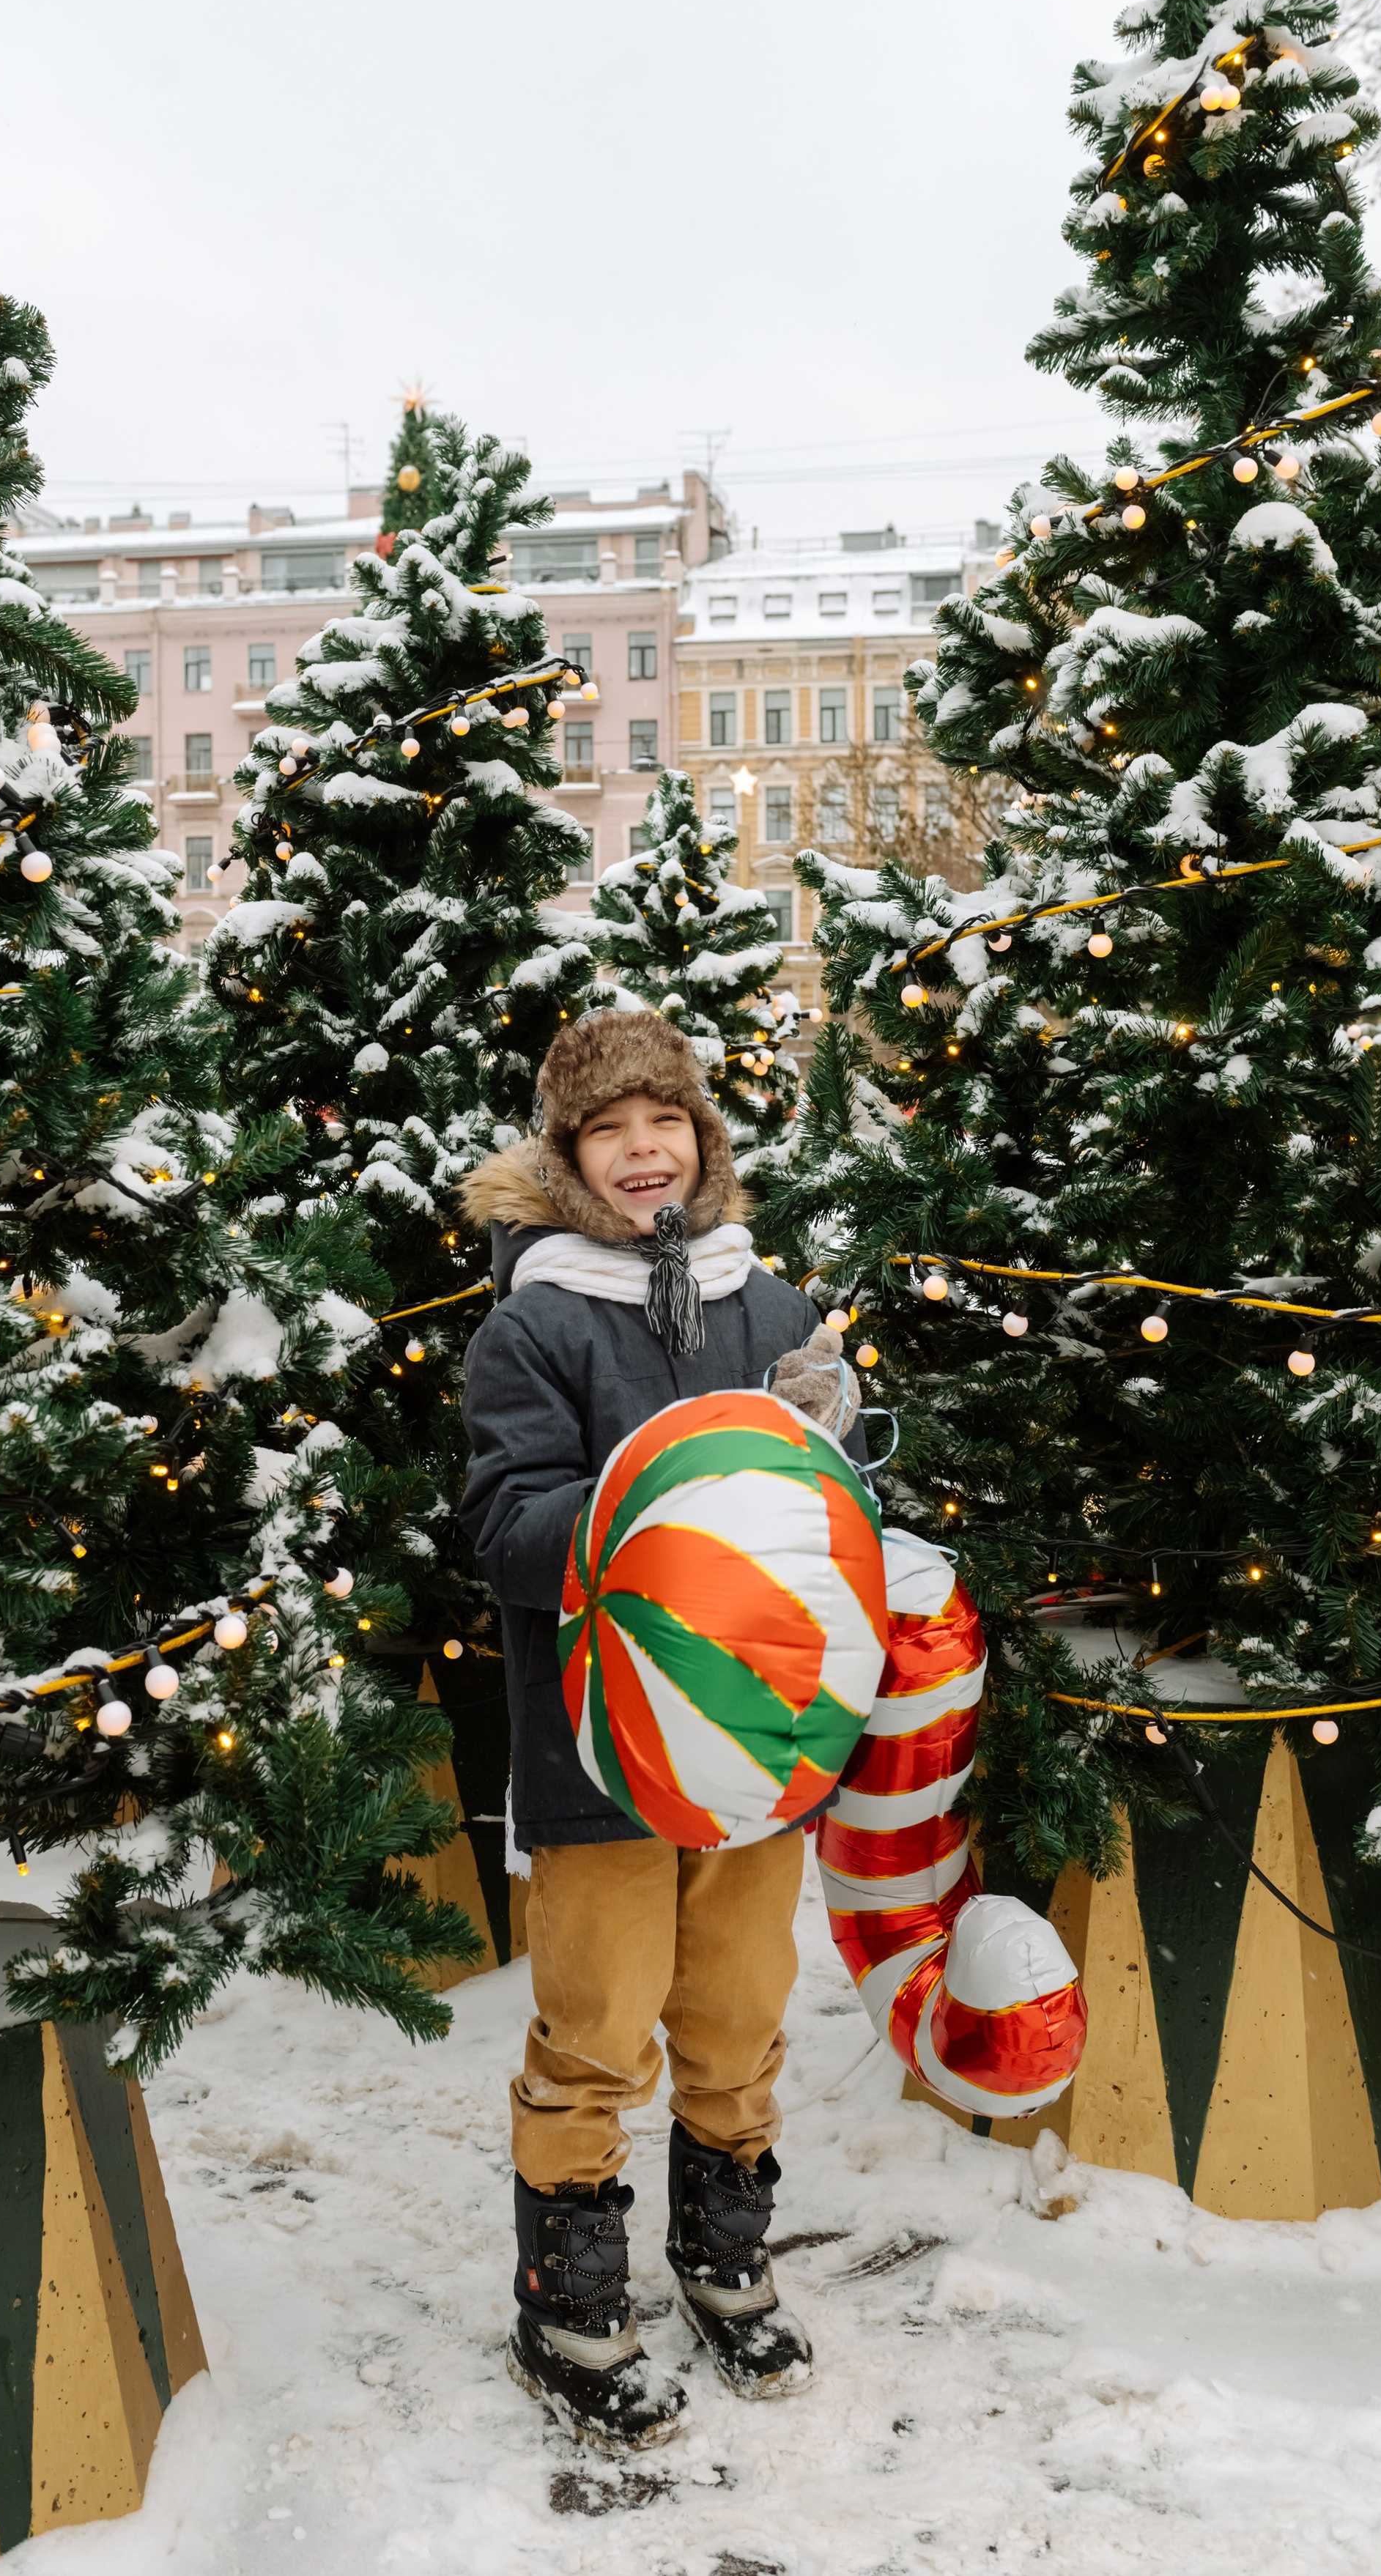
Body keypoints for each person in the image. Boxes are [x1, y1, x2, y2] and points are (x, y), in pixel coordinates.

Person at [457, 1009, 862, 2455]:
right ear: (566, 1159)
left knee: (739, 2005)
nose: (645, 1150)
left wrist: (827, 1427)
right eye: (611, 1129)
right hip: (600, 1754)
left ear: (705, 1139)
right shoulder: (535, 1321)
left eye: (667, 1122)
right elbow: (508, 1529)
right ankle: (565, 2294)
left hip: (754, 1754)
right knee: (598, 2020)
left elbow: (824, 1510)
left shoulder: (766, 1303)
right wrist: (654, 1514)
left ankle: (722, 2253)